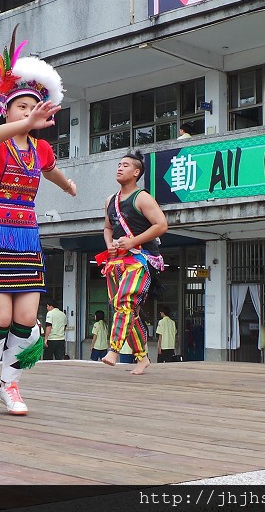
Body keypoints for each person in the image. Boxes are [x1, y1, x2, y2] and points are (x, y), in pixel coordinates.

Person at [0, 28, 76, 417]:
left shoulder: (40, 148)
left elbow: (51, 169)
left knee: (27, 323)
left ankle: (10, 382)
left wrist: (69, 185)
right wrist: (24, 124)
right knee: (0, 318)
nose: (28, 112)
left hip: (26, 234)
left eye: (33, 107)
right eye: (21, 107)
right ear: (6, 109)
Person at [98, 151, 167, 375]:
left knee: (124, 302)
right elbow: (108, 228)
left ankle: (114, 350)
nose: (120, 168)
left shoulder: (142, 197)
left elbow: (161, 225)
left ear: (136, 172)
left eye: (125, 165)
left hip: (140, 260)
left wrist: (133, 242)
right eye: (118, 164)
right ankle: (142, 357)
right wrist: (109, 244)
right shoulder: (110, 200)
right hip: (116, 262)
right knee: (127, 310)